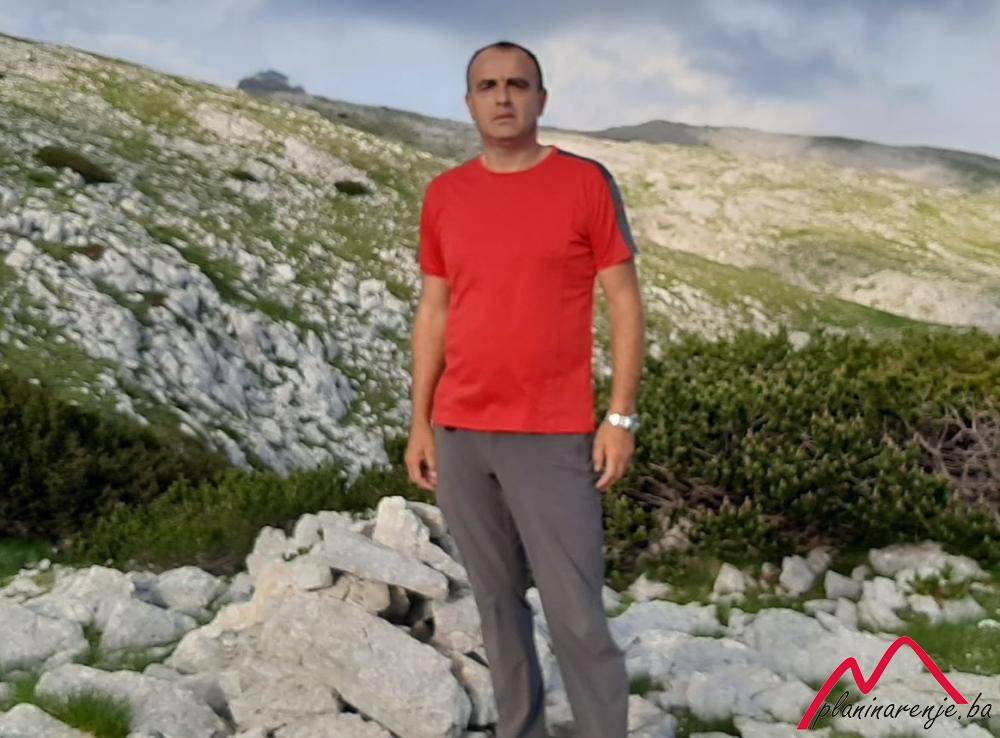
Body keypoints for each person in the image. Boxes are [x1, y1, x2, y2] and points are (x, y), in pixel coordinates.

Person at [406, 39, 645, 738]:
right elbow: (434, 310)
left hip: (551, 434)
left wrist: (620, 418)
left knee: (576, 613)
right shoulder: (445, 194)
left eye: (517, 84)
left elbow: (625, 302)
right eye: (487, 85)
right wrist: (420, 422)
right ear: (469, 103)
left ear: (541, 99)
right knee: (496, 604)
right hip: (459, 433)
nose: (503, 96)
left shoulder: (584, 183)